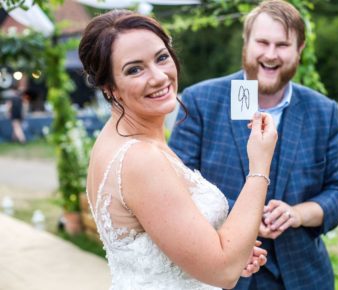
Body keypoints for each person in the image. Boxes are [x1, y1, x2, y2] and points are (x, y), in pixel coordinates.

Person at [79, 9, 278, 290]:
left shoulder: (118, 137)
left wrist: (231, 247)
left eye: (161, 58)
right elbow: (223, 271)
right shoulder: (139, 158)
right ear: (110, 87)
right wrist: (259, 166)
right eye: (134, 69)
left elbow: (168, 235)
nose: (159, 77)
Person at [169, 0, 338, 289]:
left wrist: (298, 214)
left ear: (300, 49)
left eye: (282, 45)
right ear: (246, 43)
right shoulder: (199, 101)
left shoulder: (323, 111)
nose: (270, 54)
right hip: (223, 275)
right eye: (262, 42)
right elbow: (178, 187)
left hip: (304, 277)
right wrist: (245, 218)